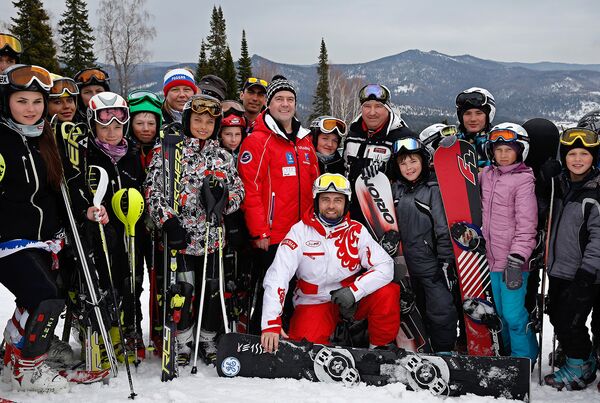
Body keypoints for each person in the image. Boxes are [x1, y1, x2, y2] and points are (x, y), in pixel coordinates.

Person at [145, 94, 244, 365]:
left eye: (209, 122)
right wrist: (168, 221)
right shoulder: (168, 151)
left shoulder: (222, 156)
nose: (203, 126)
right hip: (181, 238)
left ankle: (208, 338)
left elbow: (238, 190)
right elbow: (153, 191)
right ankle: (183, 340)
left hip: (212, 237)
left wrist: (224, 204)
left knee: (212, 290)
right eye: (197, 120)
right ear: (188, 120)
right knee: (183, 290)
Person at [261, 173, 400, 351]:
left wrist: (354, 291)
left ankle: (379, 349)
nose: (331, 206)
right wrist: (271, 322)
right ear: (316, 201)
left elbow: (385, 265)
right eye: (325, 199)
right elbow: (277, 276)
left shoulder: (357, 231)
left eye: (338, 200)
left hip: (352, 300)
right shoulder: (299, 232)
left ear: (346, 202)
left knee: (387, 292)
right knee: (303, 351)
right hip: (314, 302)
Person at [0, 64, 69, 391]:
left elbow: (57, 188)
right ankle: (27, 369)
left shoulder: (45, 136)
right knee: (44, 297)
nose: (30, 109)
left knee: (35, 300)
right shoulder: (2, 140)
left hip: (44, 240)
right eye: (22, 101)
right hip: (8, 240)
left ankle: (13, 354)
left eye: (37, 102)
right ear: (6, 101)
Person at [237, 75, 320, 334]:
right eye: (279, 99)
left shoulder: (304, 141)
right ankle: (258, 336)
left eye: (290, 99)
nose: (285, 104)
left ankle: (287, 336)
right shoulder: (258, 140)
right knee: (272, 289)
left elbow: (315, 184)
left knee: (296, 290)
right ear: (269, 105)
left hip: (302, 231)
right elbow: (249, 189)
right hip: (272, 235)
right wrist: (259, 230)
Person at [70, 91, 145, 364]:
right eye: (104, 127)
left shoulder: (131, 154)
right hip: (97, 231)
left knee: (127, 282)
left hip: (127, 229)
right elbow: (74, 190)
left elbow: (140, 188)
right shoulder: (86, 155)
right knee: (104, 284)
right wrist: (86, 211)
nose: (111, 133)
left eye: (117, 126)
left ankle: (123, 333)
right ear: (93, 125)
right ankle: (102, 336)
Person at [387, 137, 458, 352]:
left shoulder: (433, 189)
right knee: (411, 309)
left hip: (431, 265)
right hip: (403, 266)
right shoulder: (394, 190)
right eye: (403, 163)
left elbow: (443, 227)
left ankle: (444, 348)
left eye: (413, 161)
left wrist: (446, 259)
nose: (409, 168)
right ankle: (418, 346)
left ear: (423, 162)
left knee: (440, 308)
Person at [543, 127, 600, 390]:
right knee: (557, 316)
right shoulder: (562, 186)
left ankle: (579, 367)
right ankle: (584, 356)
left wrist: (587, 273)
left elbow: (599, 238)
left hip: (582, 273)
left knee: (571, 320)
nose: (577, 159)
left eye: (584, 154)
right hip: (558, 269)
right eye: (572, 154)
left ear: (594, 158)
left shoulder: (595, 193)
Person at [479, 123, 538, 363]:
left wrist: (517, 257)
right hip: (491, 261)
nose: (503, 154)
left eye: (509, 149)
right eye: (498, 149)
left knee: (514, 316)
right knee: (501, 314)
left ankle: (522, 359)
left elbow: (527, 226)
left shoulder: (523, 181)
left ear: (519, 151)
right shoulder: (486, 175)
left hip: (513, 263)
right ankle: (507, 355)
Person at [343, 83, 412, 225]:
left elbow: (414, 178)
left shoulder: (403, 137)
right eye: (367, 106)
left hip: (385, 218)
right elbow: (344, 169)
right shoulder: (353, 134)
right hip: (352, 215)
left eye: (378, 106)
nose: (372, 112)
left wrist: (387, 172)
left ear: (387, 108)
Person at [455, 87, 496, 167]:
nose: (473, 119)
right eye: (467, 113)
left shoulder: (498, 143)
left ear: (488, 116)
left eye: (479, 113)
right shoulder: (453, 144)